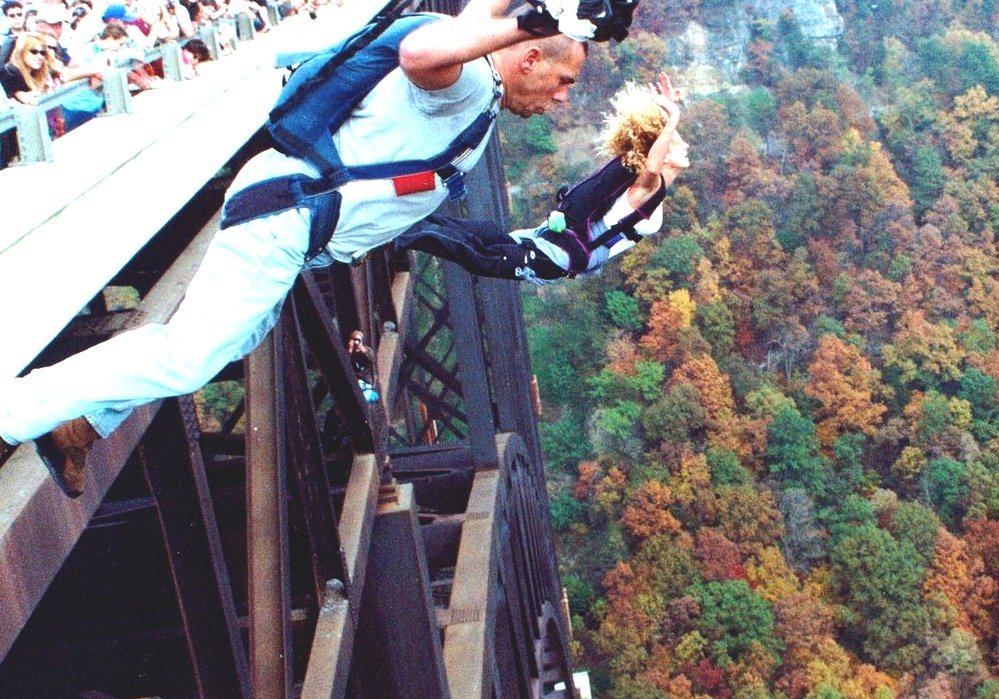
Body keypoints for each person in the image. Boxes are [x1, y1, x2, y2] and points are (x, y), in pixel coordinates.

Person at [0, 0, 593, 497]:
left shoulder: (480, 84)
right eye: (564, 82)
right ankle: (13, 410)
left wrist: (552, 12)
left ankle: (76, 426)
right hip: (285, 215)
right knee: (188, 355)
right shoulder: (468, 84)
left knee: (234, 337)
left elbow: (468, 18)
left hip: (290, 218)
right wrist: (537, 18)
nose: (564, 98)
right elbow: (419, 52)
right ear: (531, 56)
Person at [395, 71, 688, 283]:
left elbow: (656, 166)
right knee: (481, 253)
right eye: (676, 141)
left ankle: (407, 226)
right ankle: (402, 232)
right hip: (561, 253)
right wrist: (670, 119)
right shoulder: (645, 184)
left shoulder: (654, 188)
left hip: (560, 244)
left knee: (485, 240)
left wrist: (668, 119)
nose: (685, 144)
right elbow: (652, 167)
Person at [348, 331, 379, 403]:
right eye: (355, 339)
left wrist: (363, 350)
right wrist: (350, 350)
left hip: (367, 377)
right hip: (355, 376)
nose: (357, 342)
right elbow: (346, 362)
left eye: (358, 340)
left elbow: (374, 360)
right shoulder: (350, 351)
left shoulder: (367, 349)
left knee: (366, 396)